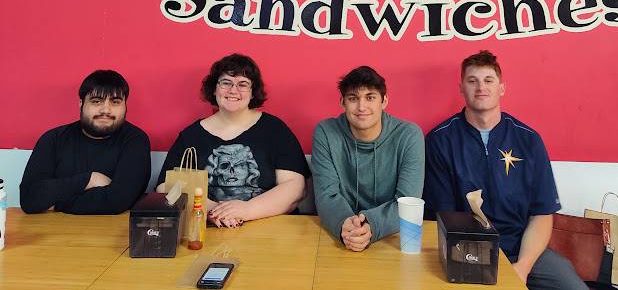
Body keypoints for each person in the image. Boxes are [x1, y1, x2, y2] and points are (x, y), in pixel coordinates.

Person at [423, 51, 587, 290]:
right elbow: (444, 218)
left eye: (488, 80)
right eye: (472, 81)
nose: (481, 87)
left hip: (523, 249)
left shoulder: (529, 140)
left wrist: (523, 267)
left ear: (501, 88)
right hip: (466, 249)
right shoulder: (440, 140)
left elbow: (541, 214)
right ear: (461, 88)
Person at [156, 54, 310, 227]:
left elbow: (295, 187)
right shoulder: (191, 136)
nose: (233, 90)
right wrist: (212, 210)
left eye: (242, 84)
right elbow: (165, 186)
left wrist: (247, 210)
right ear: (214, 89)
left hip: (270, 230)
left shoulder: (275, 130)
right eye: (226, 82)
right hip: (208, 229)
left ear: (253, 92)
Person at [311, 66, 424, 251]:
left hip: (391, 239)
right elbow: (326, 195)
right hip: (343, 235)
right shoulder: (325, 132)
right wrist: (346, 226)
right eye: (353, 98)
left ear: (384, 101)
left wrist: (371, 227)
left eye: (370, 98)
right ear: (342, 102)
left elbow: (407, 201)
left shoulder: (409, 135)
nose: (361, 107)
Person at [20, 69, 150, 214]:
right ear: (81, 103)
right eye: (96, 101)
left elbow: (117, 201)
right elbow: (29, 198)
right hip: (51, 227)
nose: (106, 110)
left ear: (125, 105)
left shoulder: (135, 140)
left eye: (115, 102)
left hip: (111, 228)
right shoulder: (53, 139)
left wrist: (56, 204)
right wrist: (89, 180)